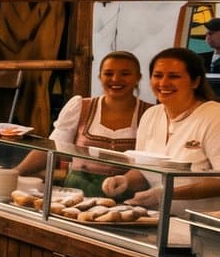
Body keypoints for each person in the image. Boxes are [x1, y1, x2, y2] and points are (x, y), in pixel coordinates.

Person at [101, 48, 220, 214]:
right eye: (157, 76)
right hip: (155, 219)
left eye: (174, 76)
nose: (163, 83)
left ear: (195, 81)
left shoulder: (214, 116)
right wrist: (125, 180)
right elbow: (145, 170)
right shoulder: (151, 115)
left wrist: (168, 193)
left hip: (200, 226)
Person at [17, 51, 148, 189]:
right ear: (100, 76)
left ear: (138, 77)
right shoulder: (80, 107)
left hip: (128, 196)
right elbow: (52, 148)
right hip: (76, 193)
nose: (115, 79)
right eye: (108, 74)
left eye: (125, 74)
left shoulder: (149, 114)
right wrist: (16, 172)